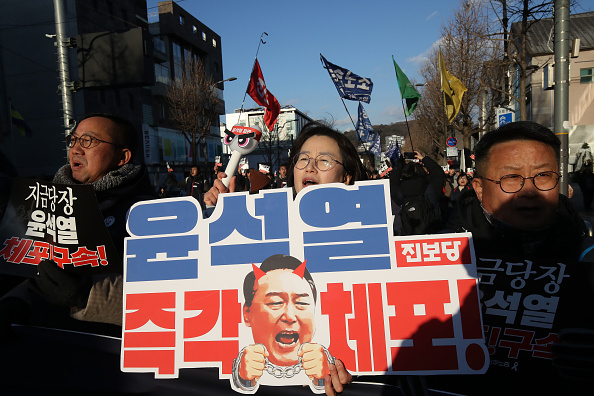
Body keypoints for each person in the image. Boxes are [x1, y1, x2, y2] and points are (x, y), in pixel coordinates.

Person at [430, 121, 594, 395]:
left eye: (543, 175)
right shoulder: (433, 262)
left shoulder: (586, 258)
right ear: (479, 188)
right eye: (511, 178)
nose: (529, 191)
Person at [205, 122, 366, 395]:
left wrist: (357, 366)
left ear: (347, 176)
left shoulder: (371, 236)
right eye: (303, 159)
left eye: (324, 160)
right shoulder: (257, 226)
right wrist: (215, 218)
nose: (310, 167)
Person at [0, 113, 156, 334]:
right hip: (44, 342)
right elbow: (38, 272)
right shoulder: (46, 200)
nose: (75, 149)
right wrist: (17, 300)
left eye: (88, 141)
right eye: (73, 140)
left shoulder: (150, 212)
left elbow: (161, 296)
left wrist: (87, 294)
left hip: (108, 351)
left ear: (122, 157)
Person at [232, 254, 332, 393]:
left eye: (301, 303)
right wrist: (242, 379)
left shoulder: (335, 365)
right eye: (275, 302)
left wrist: (325, 379)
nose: (290, 316)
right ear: (247, 314)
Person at [390, 151, 443, 235]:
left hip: (409, 236)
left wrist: (399, 164)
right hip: (433, 233)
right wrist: (423, 159)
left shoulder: (400, 193)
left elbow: (393, 181)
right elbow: (438, 173)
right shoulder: (430, 190)